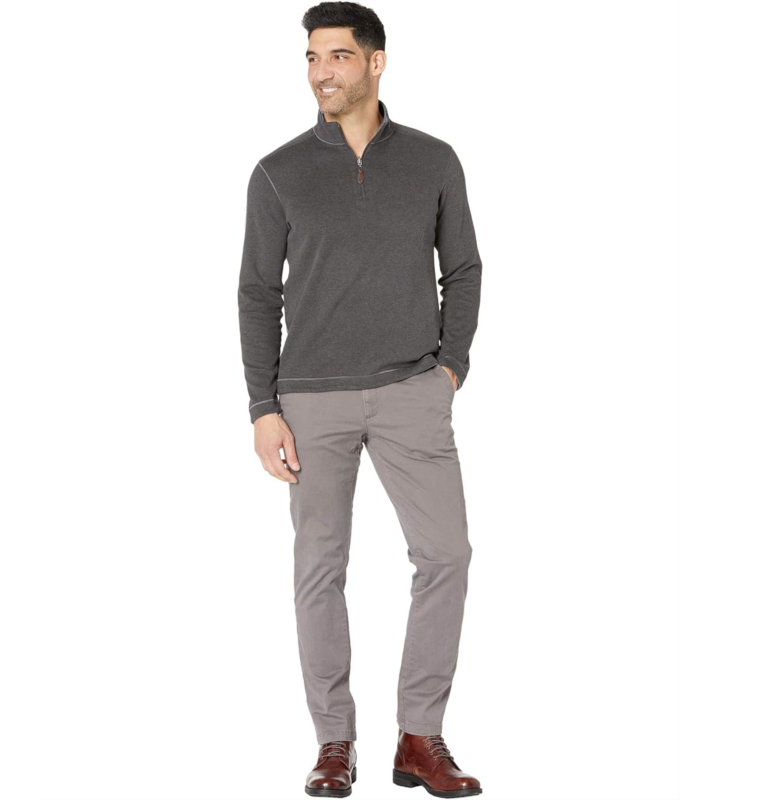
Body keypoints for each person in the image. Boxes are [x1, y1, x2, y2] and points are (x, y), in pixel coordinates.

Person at [238, 2, 483, 796]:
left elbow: (463, 269)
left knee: (446, 556)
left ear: (377, 62)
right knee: (319, 568)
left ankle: (419, 736)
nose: (322, 72)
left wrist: (449, 368)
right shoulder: (277, 171)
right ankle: (334, 742)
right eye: (312, 57)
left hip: (413, 390)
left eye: (338, 56)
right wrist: (262, 407)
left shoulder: (433, 160)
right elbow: (255, 293)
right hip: (310, 399)